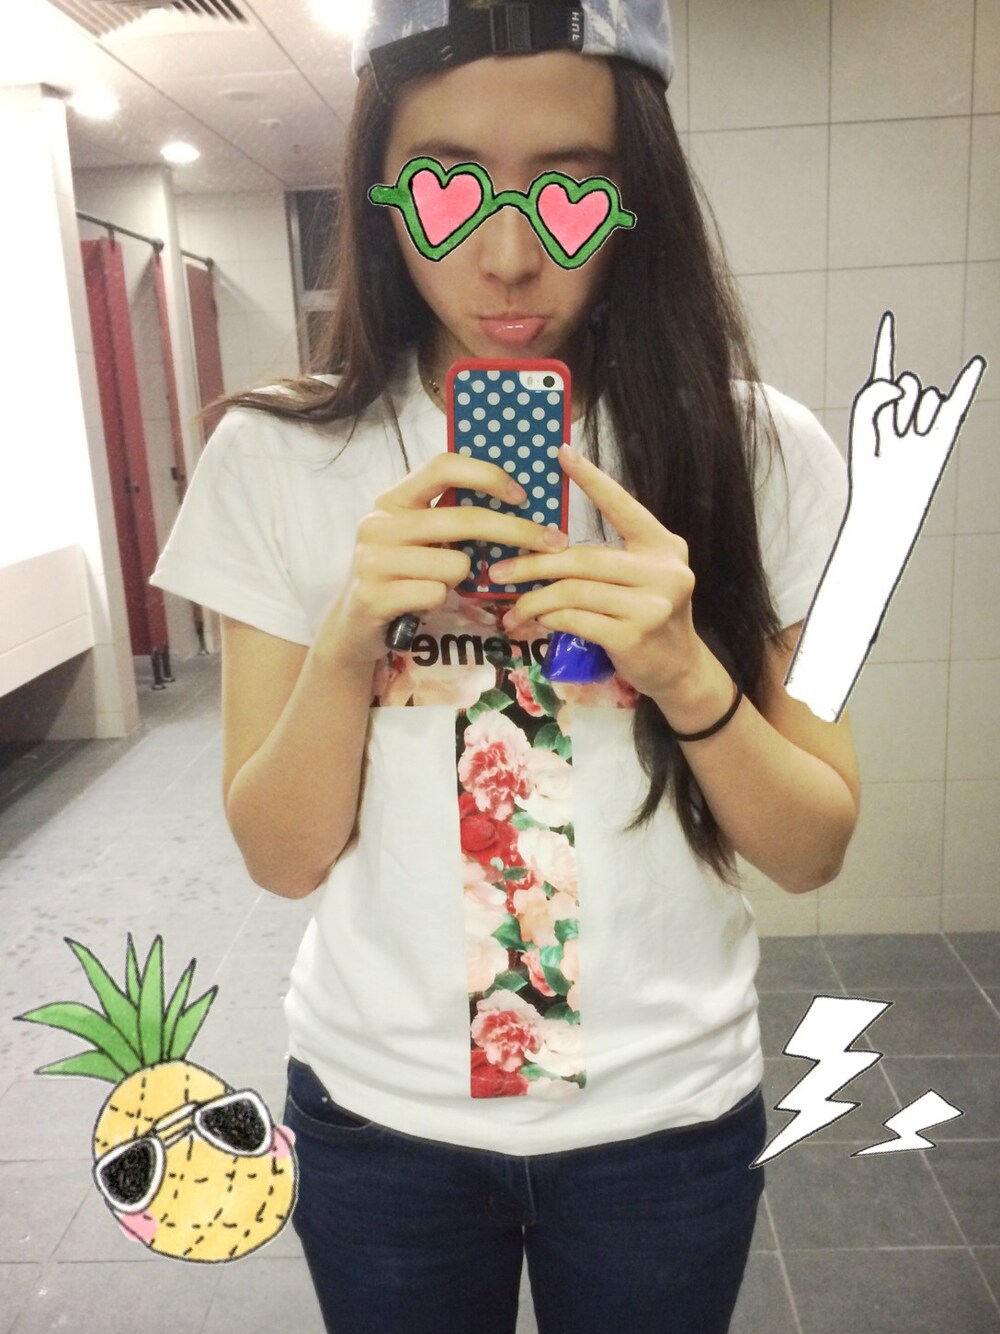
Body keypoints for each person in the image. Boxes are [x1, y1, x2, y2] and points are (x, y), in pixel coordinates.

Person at [150, 2, 861, 1329]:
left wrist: (687, 677)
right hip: (382, 1117)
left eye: (570, 190)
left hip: (664, 1120)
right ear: (382, 199)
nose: (510, 255)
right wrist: (350, 639)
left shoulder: (765, 451)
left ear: (635, 200)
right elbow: (281, 856)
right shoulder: (277, 457)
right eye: (446, 187)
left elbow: (814, 844)